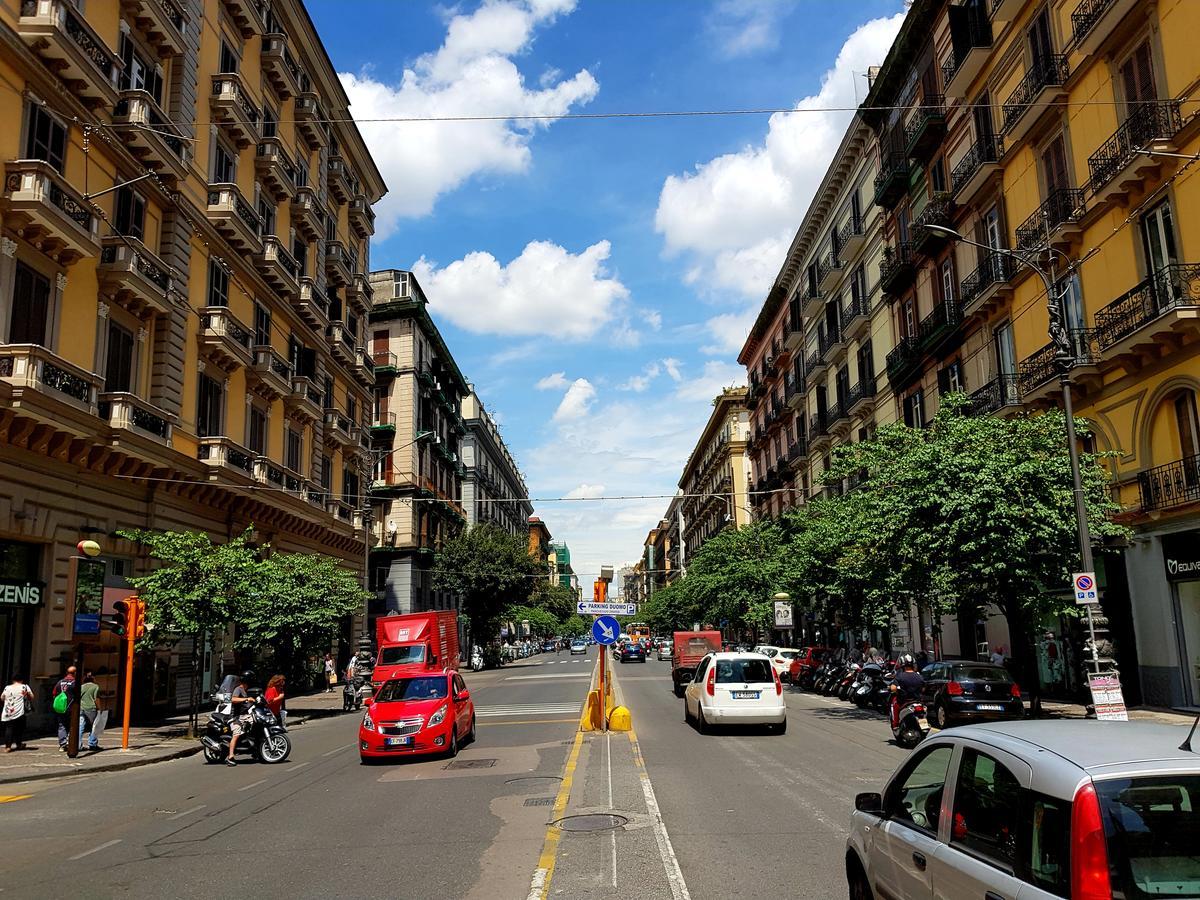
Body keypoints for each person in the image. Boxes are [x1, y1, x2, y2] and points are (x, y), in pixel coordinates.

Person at [225, 671, 254, 766]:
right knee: (236, 733)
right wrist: (246, 699)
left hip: (244, 716)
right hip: (235, 717)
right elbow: (233, 699)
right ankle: (230, 756)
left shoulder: (246, 690)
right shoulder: (238, 689)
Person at [890, 653, 925, 730]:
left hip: (904, 701)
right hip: (917, 700)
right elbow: (923, 689)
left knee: (894, 702)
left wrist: (896, 691)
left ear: (902, 665)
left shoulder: (899, 676)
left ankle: (895, 724)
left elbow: (893, 688)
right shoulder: (919, 676)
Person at [2, 676, 34, 752]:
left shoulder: (7, 687)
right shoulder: (24, 687)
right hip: (20, 711)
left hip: (8, 711)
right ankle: (19, 744)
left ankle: (8, 747)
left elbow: (2, 697)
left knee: (9, 728)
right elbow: (32, 697)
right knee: (19, 728)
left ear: (13, 680)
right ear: (21, 680)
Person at [51, 666, 77, 751]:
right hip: (71, 707)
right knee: (72, 725)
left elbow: (54, 693)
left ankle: (62, 744)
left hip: (61, 707)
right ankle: (71, 743)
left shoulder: (60, 682)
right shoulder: (75, 683)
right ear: (75, 673)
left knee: (61, 725)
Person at [79, 672, 103, 751]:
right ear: (93, 678)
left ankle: (78, 744)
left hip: (82, 708)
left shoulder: (81, 687)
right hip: (91, 709)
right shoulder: (95, 687)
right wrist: (99, 708)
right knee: (94, 727)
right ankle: (92, 744)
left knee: (81, 727)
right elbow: (96, 699)